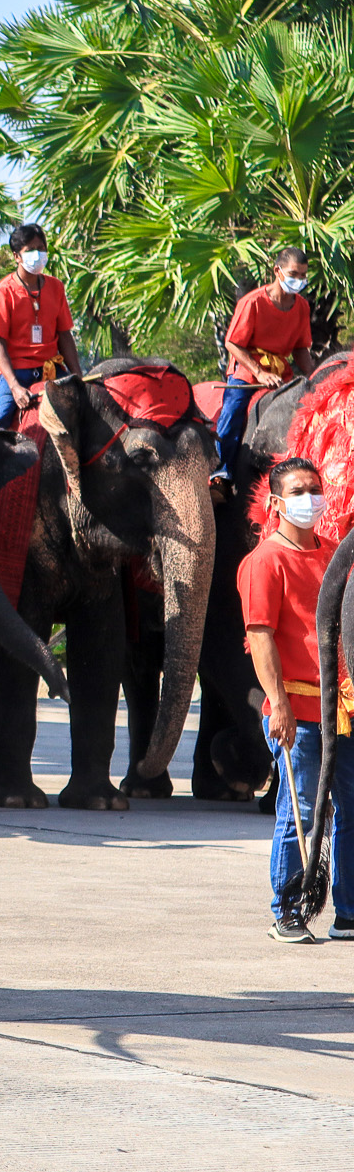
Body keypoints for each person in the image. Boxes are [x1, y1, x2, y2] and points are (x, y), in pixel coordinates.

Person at [239, 457, 354, 944]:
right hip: (300, 710)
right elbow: (260, 636)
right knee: (301, 812)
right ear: (276, 504)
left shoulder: (334, 555)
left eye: (315, 488)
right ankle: (288, 909)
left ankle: (348, 912)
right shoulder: (264, 561)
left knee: (351, 809)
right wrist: (278, 705)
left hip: (344, 709)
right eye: (299, 492)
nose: (311, 499)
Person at [216, 248, 315, 482]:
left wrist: (315, 375)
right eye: (294, 274)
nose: (299, 280)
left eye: (303, 275)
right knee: (232, 414)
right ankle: (220, 473)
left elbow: (301, 348)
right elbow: (232, 343)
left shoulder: (301, 306)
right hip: (248, 372)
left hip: (282, 374)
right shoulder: (253, 302)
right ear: (277, 271)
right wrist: (259, 372)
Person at [0, 223, 81, 428]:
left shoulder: (56, 287)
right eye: (29, 251)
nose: (37, 255)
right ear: (16, 256)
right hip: (17, 370)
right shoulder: (3, 292)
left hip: (51, 367)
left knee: (88, 409)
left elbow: (65, 335)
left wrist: (78, 375)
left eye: (41, 249)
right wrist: (14, 386)